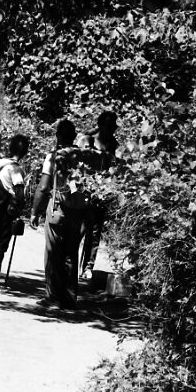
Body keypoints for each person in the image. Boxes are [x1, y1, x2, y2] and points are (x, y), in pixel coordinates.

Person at [30, 118, 98, 310]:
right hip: (78, 212)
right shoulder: (82, 157)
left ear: (58, 135)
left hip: (58, 210)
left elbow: (43, 187)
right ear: (74, 136)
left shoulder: (54, 156)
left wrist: (35, 212)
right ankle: (69, 298)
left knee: (53, 253)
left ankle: (52, 297)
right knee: (71, 253)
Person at [0, 133, 28, 289]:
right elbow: (20, 193)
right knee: (1, 243)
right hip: (5, 207)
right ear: (24, 152)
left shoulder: (0, 163)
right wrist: (21, 207)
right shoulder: (15, 168)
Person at [80, 110, 119, 280]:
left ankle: (88, 266)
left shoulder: (115, 146)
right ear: (100, 124)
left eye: (113, 126)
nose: (110, 129)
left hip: (102, 193)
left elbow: (116, 171)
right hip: (83, 191)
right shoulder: (87, 140)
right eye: (107, 125)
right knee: (79, 229)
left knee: (95, 232)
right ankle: (70, 263)